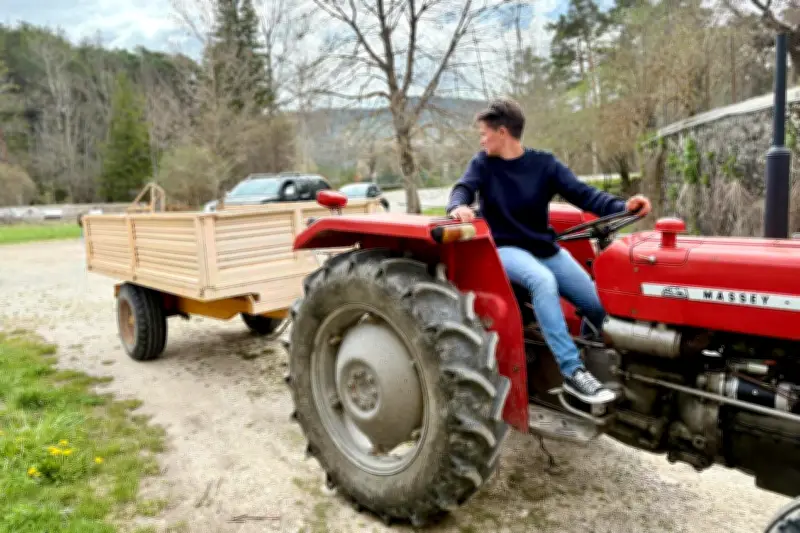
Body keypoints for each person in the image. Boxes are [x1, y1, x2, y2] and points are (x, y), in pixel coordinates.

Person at [446, 98, 651, 405]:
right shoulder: (483, 164)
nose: (481, 139)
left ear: (503, 132)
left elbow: (584, 194)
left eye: (484, 132)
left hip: (543, 248)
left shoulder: (544, 164)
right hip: (504, 249)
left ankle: (592, 357)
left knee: (598, 305)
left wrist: (623, 206)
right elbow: (463, 188)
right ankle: (572, 371)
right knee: (542, 281)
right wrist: (458, 206)